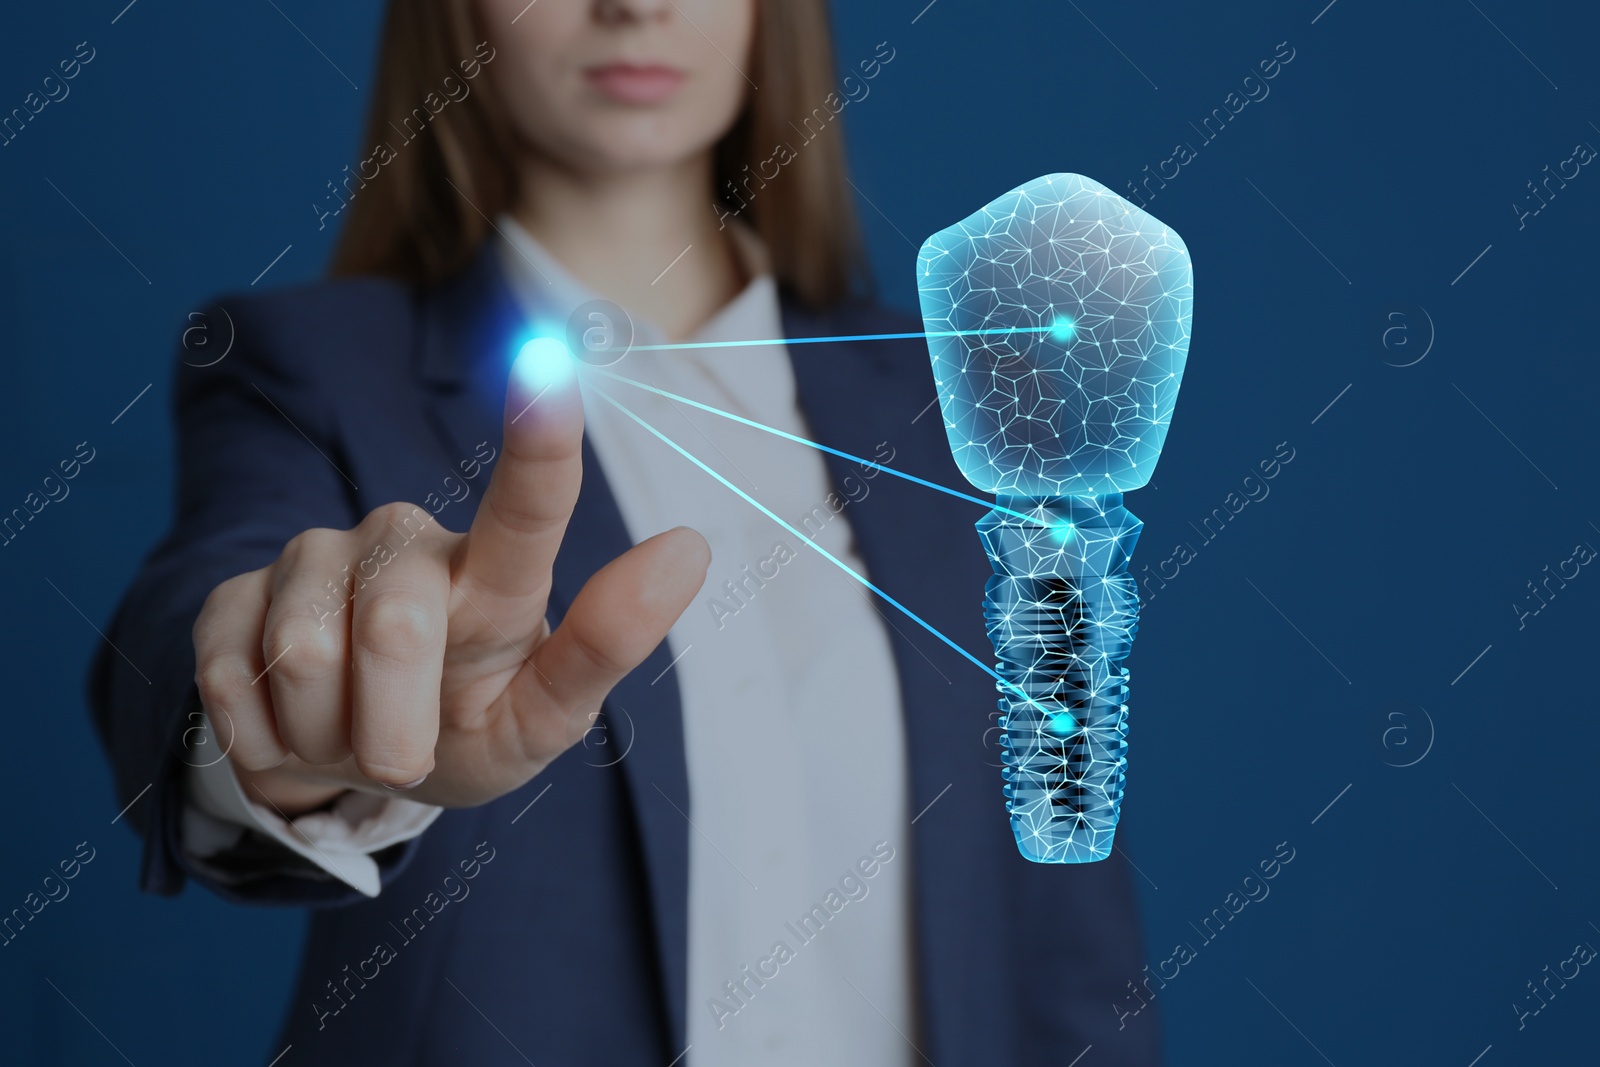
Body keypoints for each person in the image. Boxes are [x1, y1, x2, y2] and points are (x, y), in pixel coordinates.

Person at [90, 0, 1159, 1063]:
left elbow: (1062, 913)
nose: (634, 6)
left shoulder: (952, 413)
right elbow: (199, 618)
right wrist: (284, 713)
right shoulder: (310, 369)